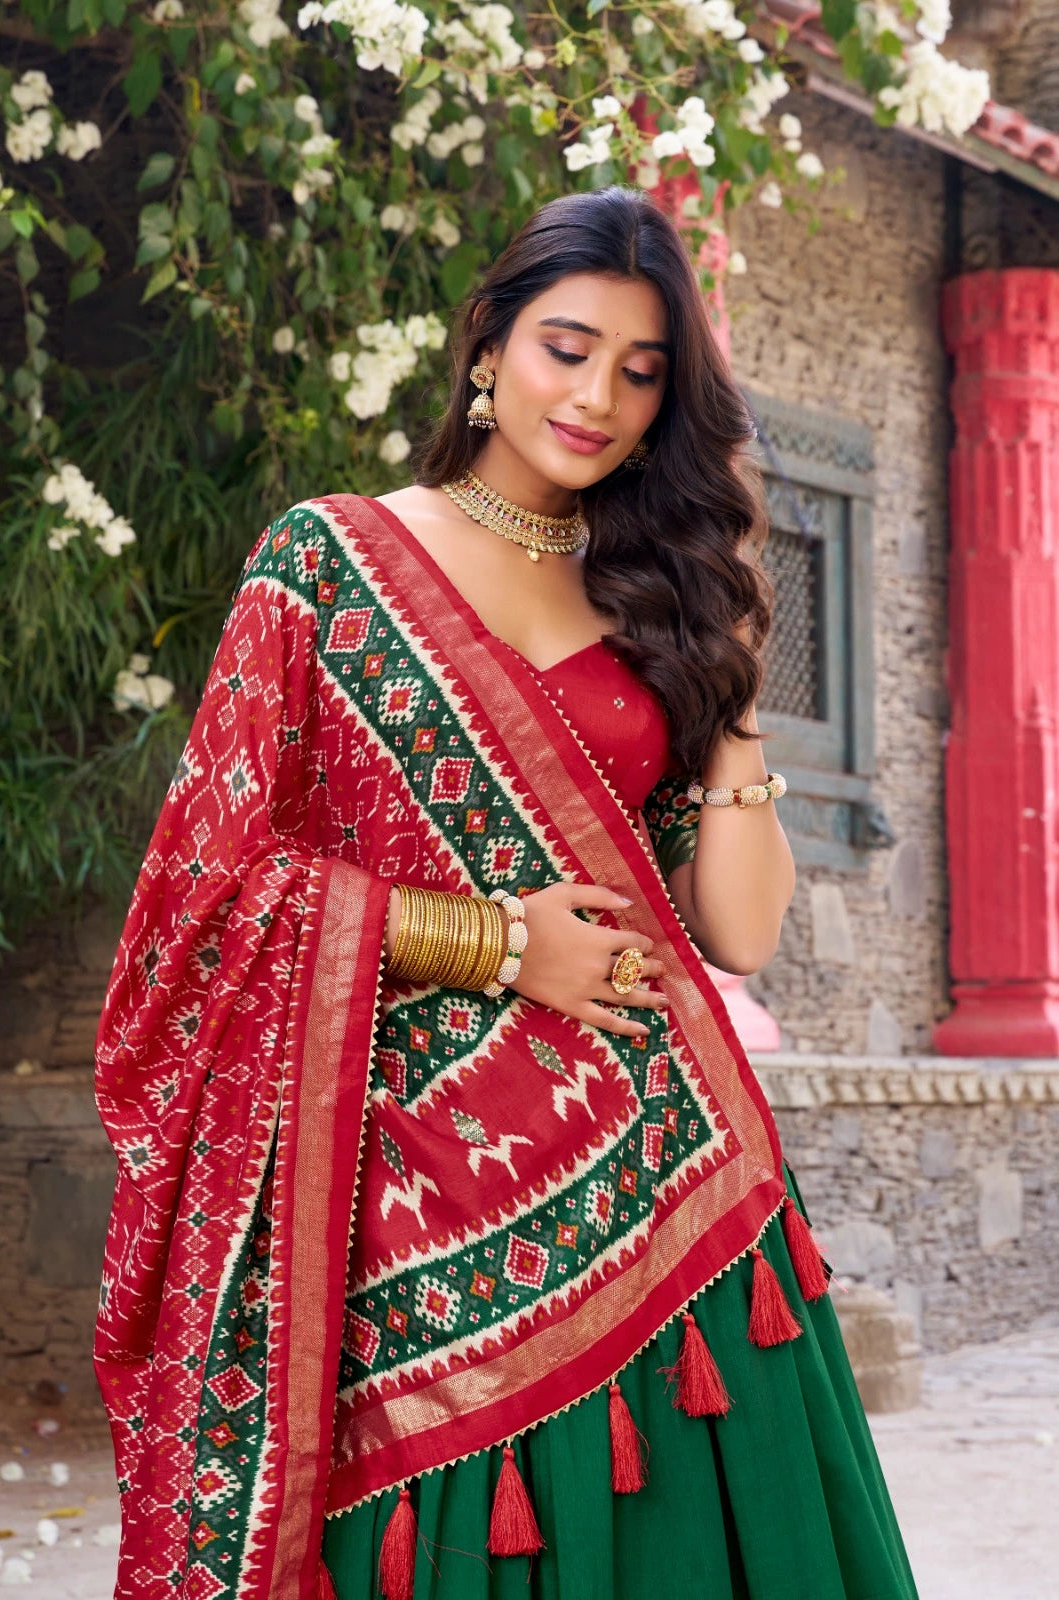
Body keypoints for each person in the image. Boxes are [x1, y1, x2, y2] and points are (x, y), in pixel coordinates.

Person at [94, 185, 918, 1600]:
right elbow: (204, 893)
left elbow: (737, 929)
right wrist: (491, 944)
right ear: (488, 344)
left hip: (676, 1200)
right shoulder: (329, 564)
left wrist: (728, 676)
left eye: (640, 373)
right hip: (418, 1223)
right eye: (566, 346)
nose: (595, 396)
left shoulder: (650, 592)